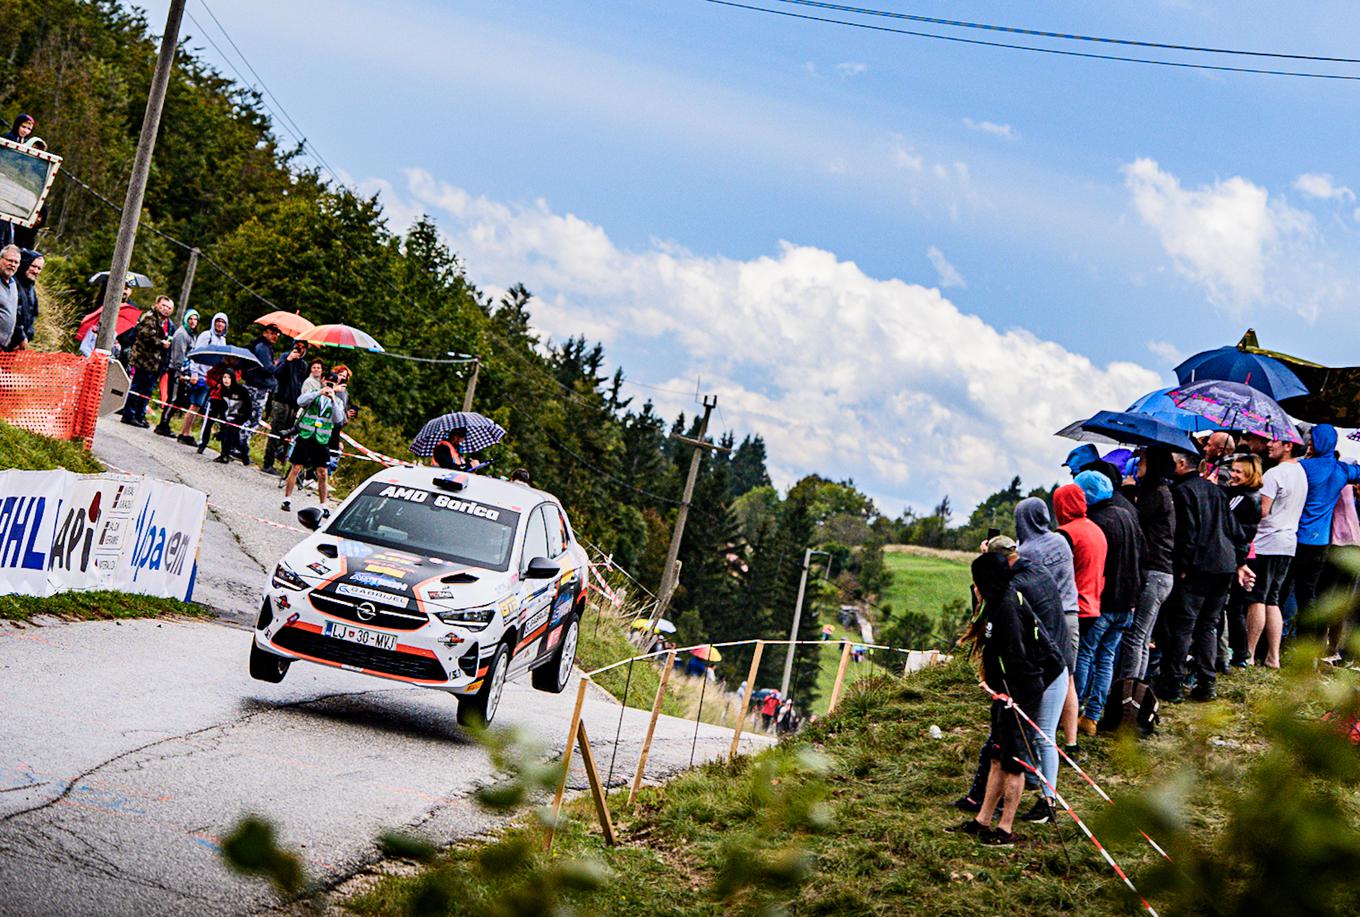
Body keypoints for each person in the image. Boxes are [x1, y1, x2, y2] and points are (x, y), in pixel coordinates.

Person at [950, 553, 1065, 847]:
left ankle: (1005, 829)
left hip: (1022, 692)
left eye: (975, 582)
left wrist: (1011, 694)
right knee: (998, 756)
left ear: (985, 581)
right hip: (1006, 692)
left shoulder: (1007, 608)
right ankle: (983, 821)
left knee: (1014, 761)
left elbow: (1018, 658)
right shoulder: (996, 604)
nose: (973, 588)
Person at [1155, 451, 1248, 703]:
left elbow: (1187, 533)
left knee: (1183, 625)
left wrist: (1183, 565)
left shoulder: (1183, 492)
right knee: (1208, 624)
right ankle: (1206, 682)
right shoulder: (1218, 491)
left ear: (1182, 464)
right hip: (1224, 564)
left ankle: (1172, 683)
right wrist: (1238, 560)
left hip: (1198, 566)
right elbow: (1236, 531)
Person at [1073, 469, 1143, 734]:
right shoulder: (1127, 515)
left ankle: (1074, 708)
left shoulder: (1095, 523)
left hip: (1103, 601)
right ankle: (1092, 716)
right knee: (1106, 658)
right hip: (1127, 602)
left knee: (1086, 654)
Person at [1013, 496, 1081, 766]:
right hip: (1072, 614)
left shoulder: (1028, 552)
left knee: (1045, 681)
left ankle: (1042, 738)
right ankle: (1072, 743)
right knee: (1068, 679)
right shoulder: (1060, 540)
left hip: (1046, 620)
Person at [1117, 448, 1177, 700]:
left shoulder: (1157, 494)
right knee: (1141, 637)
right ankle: (1135, 693)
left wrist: (1129, 492)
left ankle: (1128, 696)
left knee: (1136, 636)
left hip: (1154, 571)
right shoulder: (1163, 493)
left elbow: (1137, 522)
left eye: (1142, 461)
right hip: (1162, 572)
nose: (1137, 465)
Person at [1293, 424, 1360, 646]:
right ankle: (1309, 641)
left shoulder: (1304, 467)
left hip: (1300, 536)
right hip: (1322, 541)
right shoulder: (1342, 470)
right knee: (1310, 592)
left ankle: (1288, 638)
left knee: (1288, 590)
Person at [1053, 482, 1105, 753]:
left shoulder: (1065, 534)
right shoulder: (1096, 529)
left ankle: (1061, 720)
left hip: (1073, 607)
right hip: (1094, 604)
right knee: (1093, 658)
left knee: (1066, 671)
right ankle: (1082, 714)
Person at [1223, 455, 1263, 669]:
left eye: (1239, 471)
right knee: (1236, 608)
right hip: (1247, 553)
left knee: (1233, 607)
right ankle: (1241, 653)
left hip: (1239, 555)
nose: (1233, 474)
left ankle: (1238, 652)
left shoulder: (1242, 497)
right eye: (1233, 470)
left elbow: (1225, 516)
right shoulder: (1252, 496)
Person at [281, 373, 340, 512]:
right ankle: (287, 499)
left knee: (322, 473)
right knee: (295, 467)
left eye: (332, 382)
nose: (329, 384)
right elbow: (300, 401)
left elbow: (338, 419)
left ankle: (323, 505)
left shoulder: (337, 401)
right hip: (306, 436)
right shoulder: (313, 393)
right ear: (322, 381)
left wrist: (332, 399)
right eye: (327, 381)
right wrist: (319, 393)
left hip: (321, 440)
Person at [121, 295, 174, 427]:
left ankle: (139, 415)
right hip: (142, 359)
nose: (166, 309)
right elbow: (145, 335)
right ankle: (128, 414)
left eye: (169, 307)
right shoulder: (150, 317)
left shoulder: (166, 323)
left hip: (154, 363)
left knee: (147, 390)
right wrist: (162, 343)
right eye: (163, 305)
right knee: (137, 387)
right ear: (156, 304)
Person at [262, 339, 309, 475]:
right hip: (280, 399)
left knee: (287, 434)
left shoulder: (303, 365)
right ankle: (267, 463)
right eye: (297, 346)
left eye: (302, 347)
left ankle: (281, 458)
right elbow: (276, 373)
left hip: (293, 403)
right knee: (275, 431)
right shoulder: (285, 357)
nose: (299, 349)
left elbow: (301, 384)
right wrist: (288, 360)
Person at [154, 309, 199, 436]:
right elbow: (179, 355)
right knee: (173, 398)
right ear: (186, 319)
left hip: (184, 370)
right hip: (176, 370)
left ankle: (165, 423)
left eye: (195, 319)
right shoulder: (181, 334)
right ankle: (163, 424)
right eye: (190, 319)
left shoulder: (192, 334)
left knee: (178, 399)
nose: (193, 321)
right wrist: (181, 374)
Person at [241, 323, 283, 447]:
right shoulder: (262, 347)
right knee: (251, 417)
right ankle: (240, 445)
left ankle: (242, 444)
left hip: (260, 387)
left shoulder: (266, 347)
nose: (274, 336)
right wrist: (277, 366)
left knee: (253, 417)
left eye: (276, 334)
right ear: (265, 333)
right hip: (256, 387)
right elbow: (266, 368)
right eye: (272, 333)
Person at [203, 371, 252, 465]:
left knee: (230, 434)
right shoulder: (223, 390)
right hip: (228, 416)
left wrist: (242, 417)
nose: (226, 380)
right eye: (224, 377)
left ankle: (224, 455)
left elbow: (248, 406)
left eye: (229, 377)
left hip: (240, 416)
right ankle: (245, 454)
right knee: (235, 439)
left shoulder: (241, 390)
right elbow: (224, 405)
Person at [5, 249, 41, 350]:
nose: (36, 271)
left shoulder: (31, 289)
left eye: (39, 268)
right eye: (33, 266)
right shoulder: (11, 284)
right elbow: (11, 312)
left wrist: (27, 337)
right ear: (25, 264)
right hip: (5, 341)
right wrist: (20, 337)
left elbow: (33, 314)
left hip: (17, 345)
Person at [0, 244, 19, 353]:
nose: (12, 264)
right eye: (10, 260)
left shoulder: (13, 284)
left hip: (5, 347)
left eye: (16, 262)